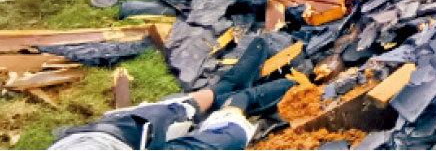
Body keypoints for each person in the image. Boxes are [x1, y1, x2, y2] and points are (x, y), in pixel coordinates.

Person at [50, 38, 293, 151]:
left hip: (98, 140)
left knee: (170, 112)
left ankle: (222, 89)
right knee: (226, 138)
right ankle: (239, 103)